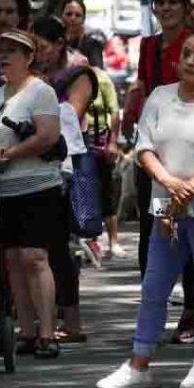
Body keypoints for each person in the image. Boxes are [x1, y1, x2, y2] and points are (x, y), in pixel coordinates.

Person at [97, 28, 194, 388]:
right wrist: (169, 183)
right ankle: (139, 363)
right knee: (154, 284)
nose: (191, 62)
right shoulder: (161, 97)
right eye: (187, 55)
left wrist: (187, 188)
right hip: (165, 201)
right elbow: (145, 147)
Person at [123, 0, 194, 344]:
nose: (166, 9)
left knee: (191, 229)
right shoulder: (149, 47)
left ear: (185, 7)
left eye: (173, 2)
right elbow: (143, 88)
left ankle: (190, 313)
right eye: (160, 3)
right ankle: (153, 308)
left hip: (192, 150)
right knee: (156, 229)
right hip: (154, 153)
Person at [0, 29, 64, 359]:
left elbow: (47, 137)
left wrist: (9, 155)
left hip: (38, 186)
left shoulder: (41, 92)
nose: (3, 56)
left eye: (11, 51)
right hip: (4, 189)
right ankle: (26, 331)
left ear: (29, 57)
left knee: (35, 257)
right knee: (13, 260)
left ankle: (47, 333)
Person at [32, 15, 97, 342]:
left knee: (60, 248)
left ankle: (73, 321)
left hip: (68, 169)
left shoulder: (78, 76)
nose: (38, 52)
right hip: (36, 168)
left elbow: (70, 114)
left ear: (60, 44)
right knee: (40, 247)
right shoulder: (33, 77)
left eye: (43, 46)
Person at [85, 65, 124, 259]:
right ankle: (92, 240)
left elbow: (115, 111)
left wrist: (113, 142)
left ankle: (113, 241)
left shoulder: (102, 80)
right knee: (85, 193)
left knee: (107, 192)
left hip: (100, 143)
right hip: (81, 144)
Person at [60, 0, 104, 68]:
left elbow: (98, 73)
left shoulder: (93, 45)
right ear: (61, 16)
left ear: (83, 19)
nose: (73, 18)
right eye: (69, 14)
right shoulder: (54, 42)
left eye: (78, 15)